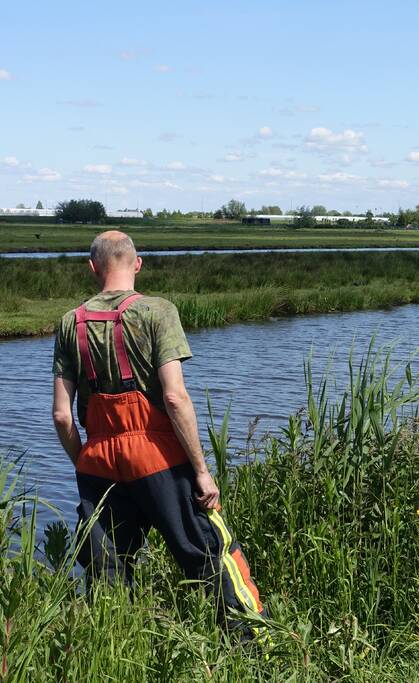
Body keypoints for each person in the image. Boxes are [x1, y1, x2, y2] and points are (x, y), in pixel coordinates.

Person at [51, 230, 267, 634]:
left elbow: (62, 416)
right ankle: (254, 644)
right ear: (137, 263)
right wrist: (201, 471)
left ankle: (111, 647)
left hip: (97, 459)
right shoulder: (157, 311)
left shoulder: (70, 323)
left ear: (93, 267)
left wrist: (86, 461)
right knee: (208, 552)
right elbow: (174, 397)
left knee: (107, 568)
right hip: (156, 454)